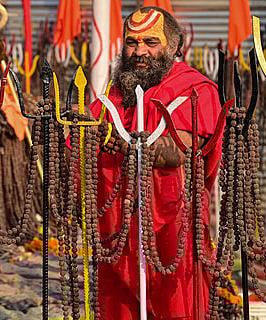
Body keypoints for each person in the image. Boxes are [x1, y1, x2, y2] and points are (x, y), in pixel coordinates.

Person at [88, 6, 222, 319]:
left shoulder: (195, 89)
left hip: (174, 231)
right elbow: (83, 134)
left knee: (177, 308)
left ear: (176, 47)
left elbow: (184, 150)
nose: (139, 51)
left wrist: (125, 143)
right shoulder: (114, 93)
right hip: (116, 233)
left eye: (151, 42)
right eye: (132, 43)